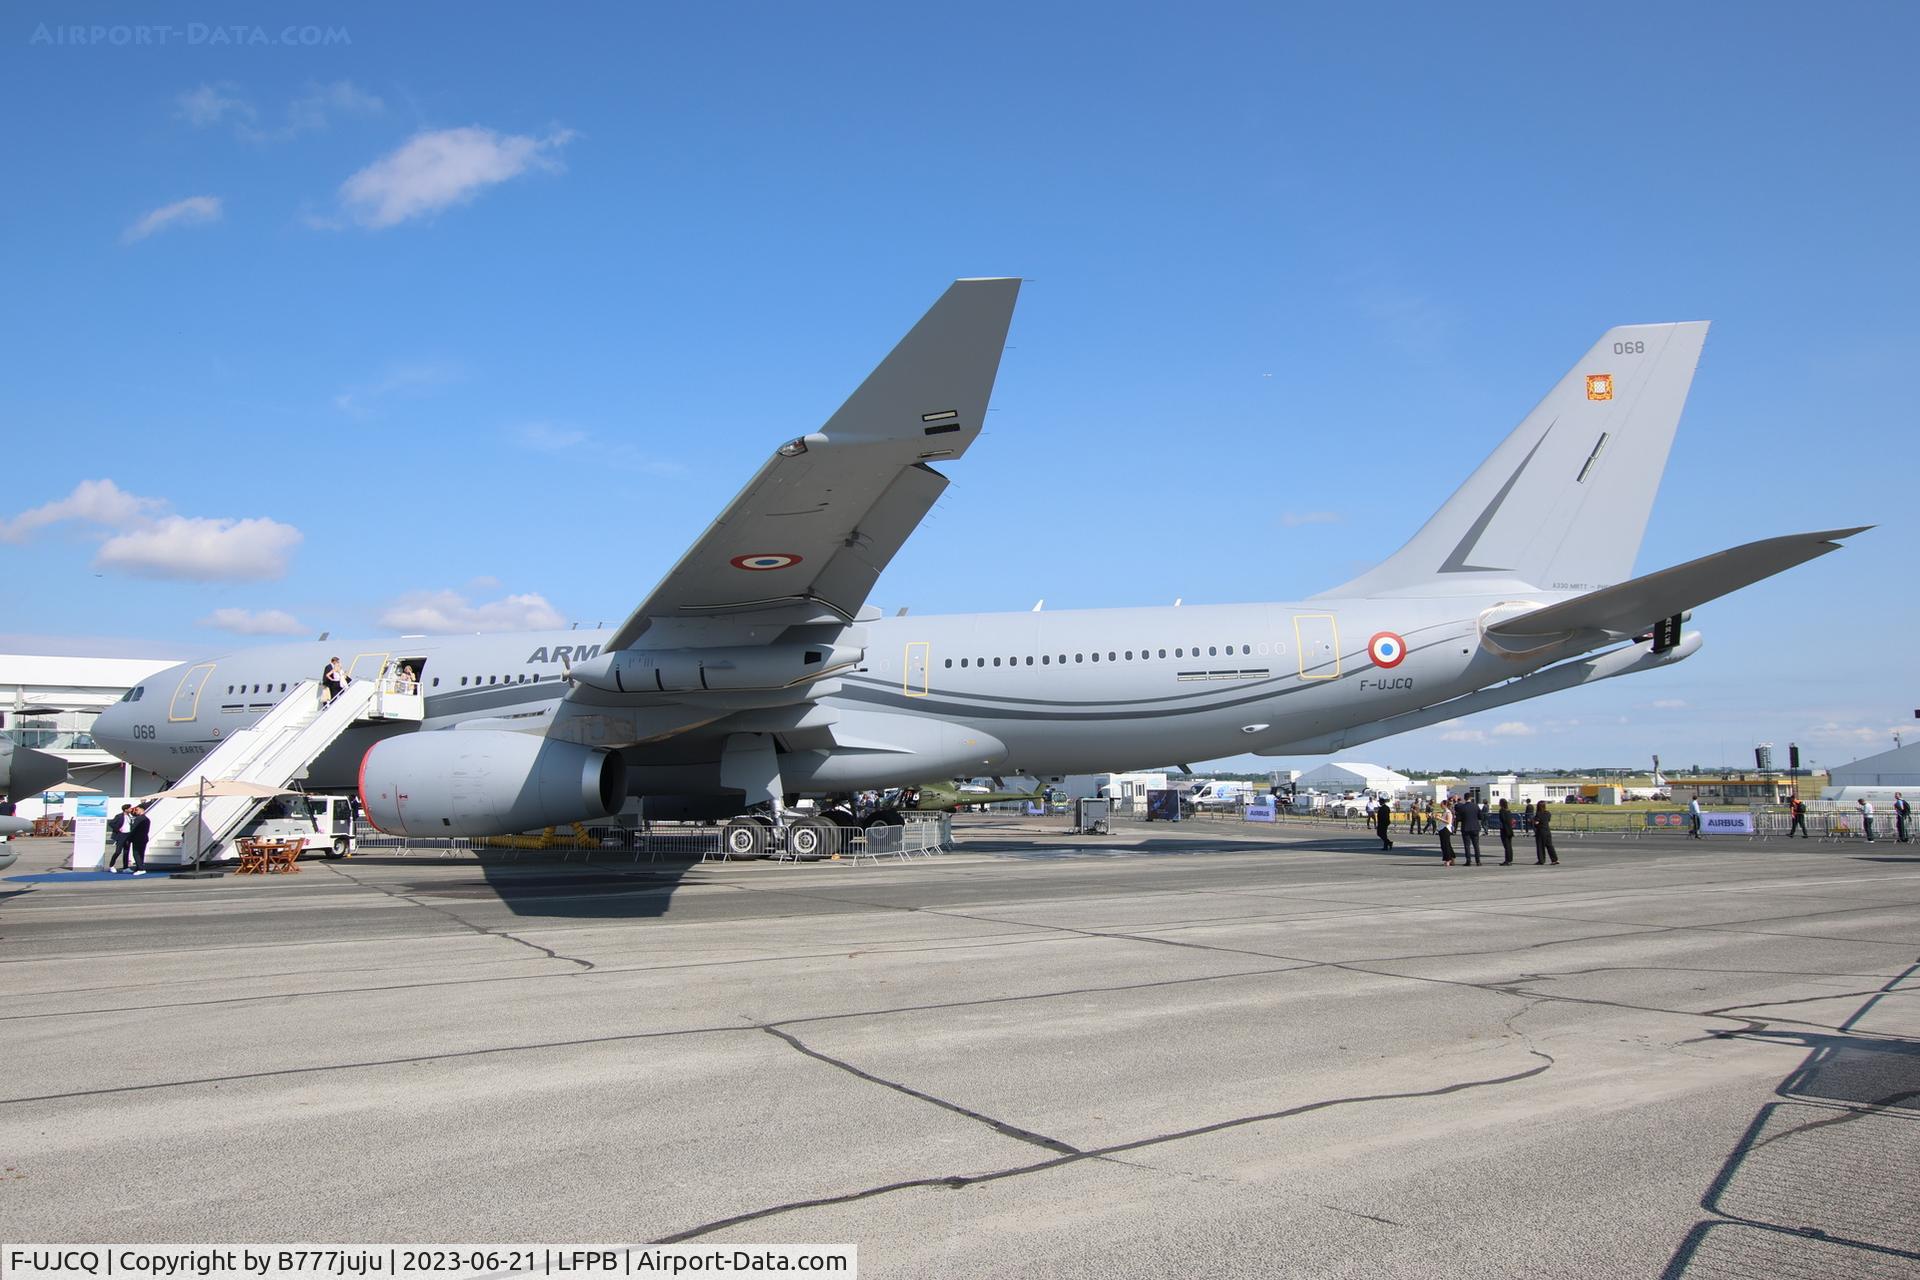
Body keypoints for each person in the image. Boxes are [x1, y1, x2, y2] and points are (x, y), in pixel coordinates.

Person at [1455, 794, 1483, 865]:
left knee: (1467, 845)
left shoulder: (1462, 807)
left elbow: (1458, 818)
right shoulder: (1475, 806)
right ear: (1471, 798)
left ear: (1464, 798)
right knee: (1476, 845)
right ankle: (1478, 861)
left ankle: (1468, 861)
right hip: (1475, 827)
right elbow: (1480, 816)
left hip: (1465, 828)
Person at [107, 803, 134, 871]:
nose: (131, 809)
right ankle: (111, 865)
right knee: (118, 851)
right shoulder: (119, 816)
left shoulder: (130, 816)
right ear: (126, 809)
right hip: (121, 835)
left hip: (128, 835)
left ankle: (125, 867)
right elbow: (111, 823)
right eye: (130, 808)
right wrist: (117, 829)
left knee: (126, 852)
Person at [126, 804, 151, 875]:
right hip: (144, 838)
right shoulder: (147, 819)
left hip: (137, 838)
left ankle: (141, 868)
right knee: (141, 853)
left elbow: (133, 829)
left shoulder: (139, 819)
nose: (136, 811)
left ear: (141, 809)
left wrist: (129, 838)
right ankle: (139, 867)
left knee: (136, 853)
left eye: (137, 810)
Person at [1533, 799, 1560, 865]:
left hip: (1541, 831)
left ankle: (1541, 860)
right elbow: (1548, 820)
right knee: (1549, 846)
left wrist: (1533, 821)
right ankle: (1554, 859)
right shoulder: (1548, 813)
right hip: (1547, 831)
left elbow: (1536, 822)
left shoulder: (1538, 814)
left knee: (1540, 846)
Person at [1436, 795, 1456, 866]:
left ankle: (1448, 859)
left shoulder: (1448, 812)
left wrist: (1440, 818)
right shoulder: (1444, 812)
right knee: (1446, 845)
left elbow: (1448, 821)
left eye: (1441, 804)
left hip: (1445, 829)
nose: (1440, 806)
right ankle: (1452, 858)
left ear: (1445, 805)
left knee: (1445, 845)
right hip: (1442, 829)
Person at [1496, 798, 1516, 864]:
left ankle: (1507, 860)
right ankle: (1510, 859)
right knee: (1509, 846)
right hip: (1509, 829)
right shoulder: (1508, 810)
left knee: (1506, 846)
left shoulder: (1502, 811)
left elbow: (1503, 820)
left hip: (1504, 829)